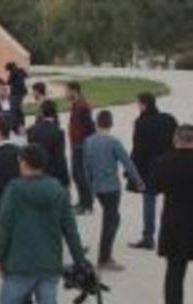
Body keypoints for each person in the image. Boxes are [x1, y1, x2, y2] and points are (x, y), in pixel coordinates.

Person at [0, 144, 89, 304]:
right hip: (49, 265)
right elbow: (71, 230)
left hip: (19, 265)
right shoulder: (59, 190)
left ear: (23, 162)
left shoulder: (14, 189)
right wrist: (80, 260)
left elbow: (4, 227)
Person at [83, 110, 144, 271]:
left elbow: (85, 168)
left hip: (97, 187)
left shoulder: (88, 142)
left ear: (97, 123)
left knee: (113, 219)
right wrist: (138, 181)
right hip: (112, 188)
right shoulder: (114, 142)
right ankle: (104, 258)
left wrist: (90, 188)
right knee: (110, 221)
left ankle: (105, 253)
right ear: (111, 124)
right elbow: (127, 163)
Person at [130, 92, 178, 250]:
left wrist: (132, 172)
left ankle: (148, 237)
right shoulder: (169, 119)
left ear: (143, 104)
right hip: (170, 167)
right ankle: (172, 236)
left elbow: (138, 149)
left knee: (149, 202)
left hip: (149, 169)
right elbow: (176, 142)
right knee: (171, 203)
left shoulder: (140, 123)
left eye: (138, 103)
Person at [151, 124, 193, 304]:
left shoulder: (163, 161)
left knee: (174, 272)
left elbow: (155, 187)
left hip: (174, 222)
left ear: (176, 139)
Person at [67, 81, 95, 215]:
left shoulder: (82, 107)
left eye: (67, 91)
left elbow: (90, 127)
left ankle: (87, 204)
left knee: (80, 175)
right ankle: (82, 202)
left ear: (74, 91)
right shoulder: (76, 105)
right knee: (76, 174)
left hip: (81, 145)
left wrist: (87, 143)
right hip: (75, 144)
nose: (66, 94)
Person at [26, 100, 70, 188]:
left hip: (35, 174)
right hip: (52, 176)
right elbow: (60, 158)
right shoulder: (58, 132)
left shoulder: (31, 130)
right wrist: (65, 179)